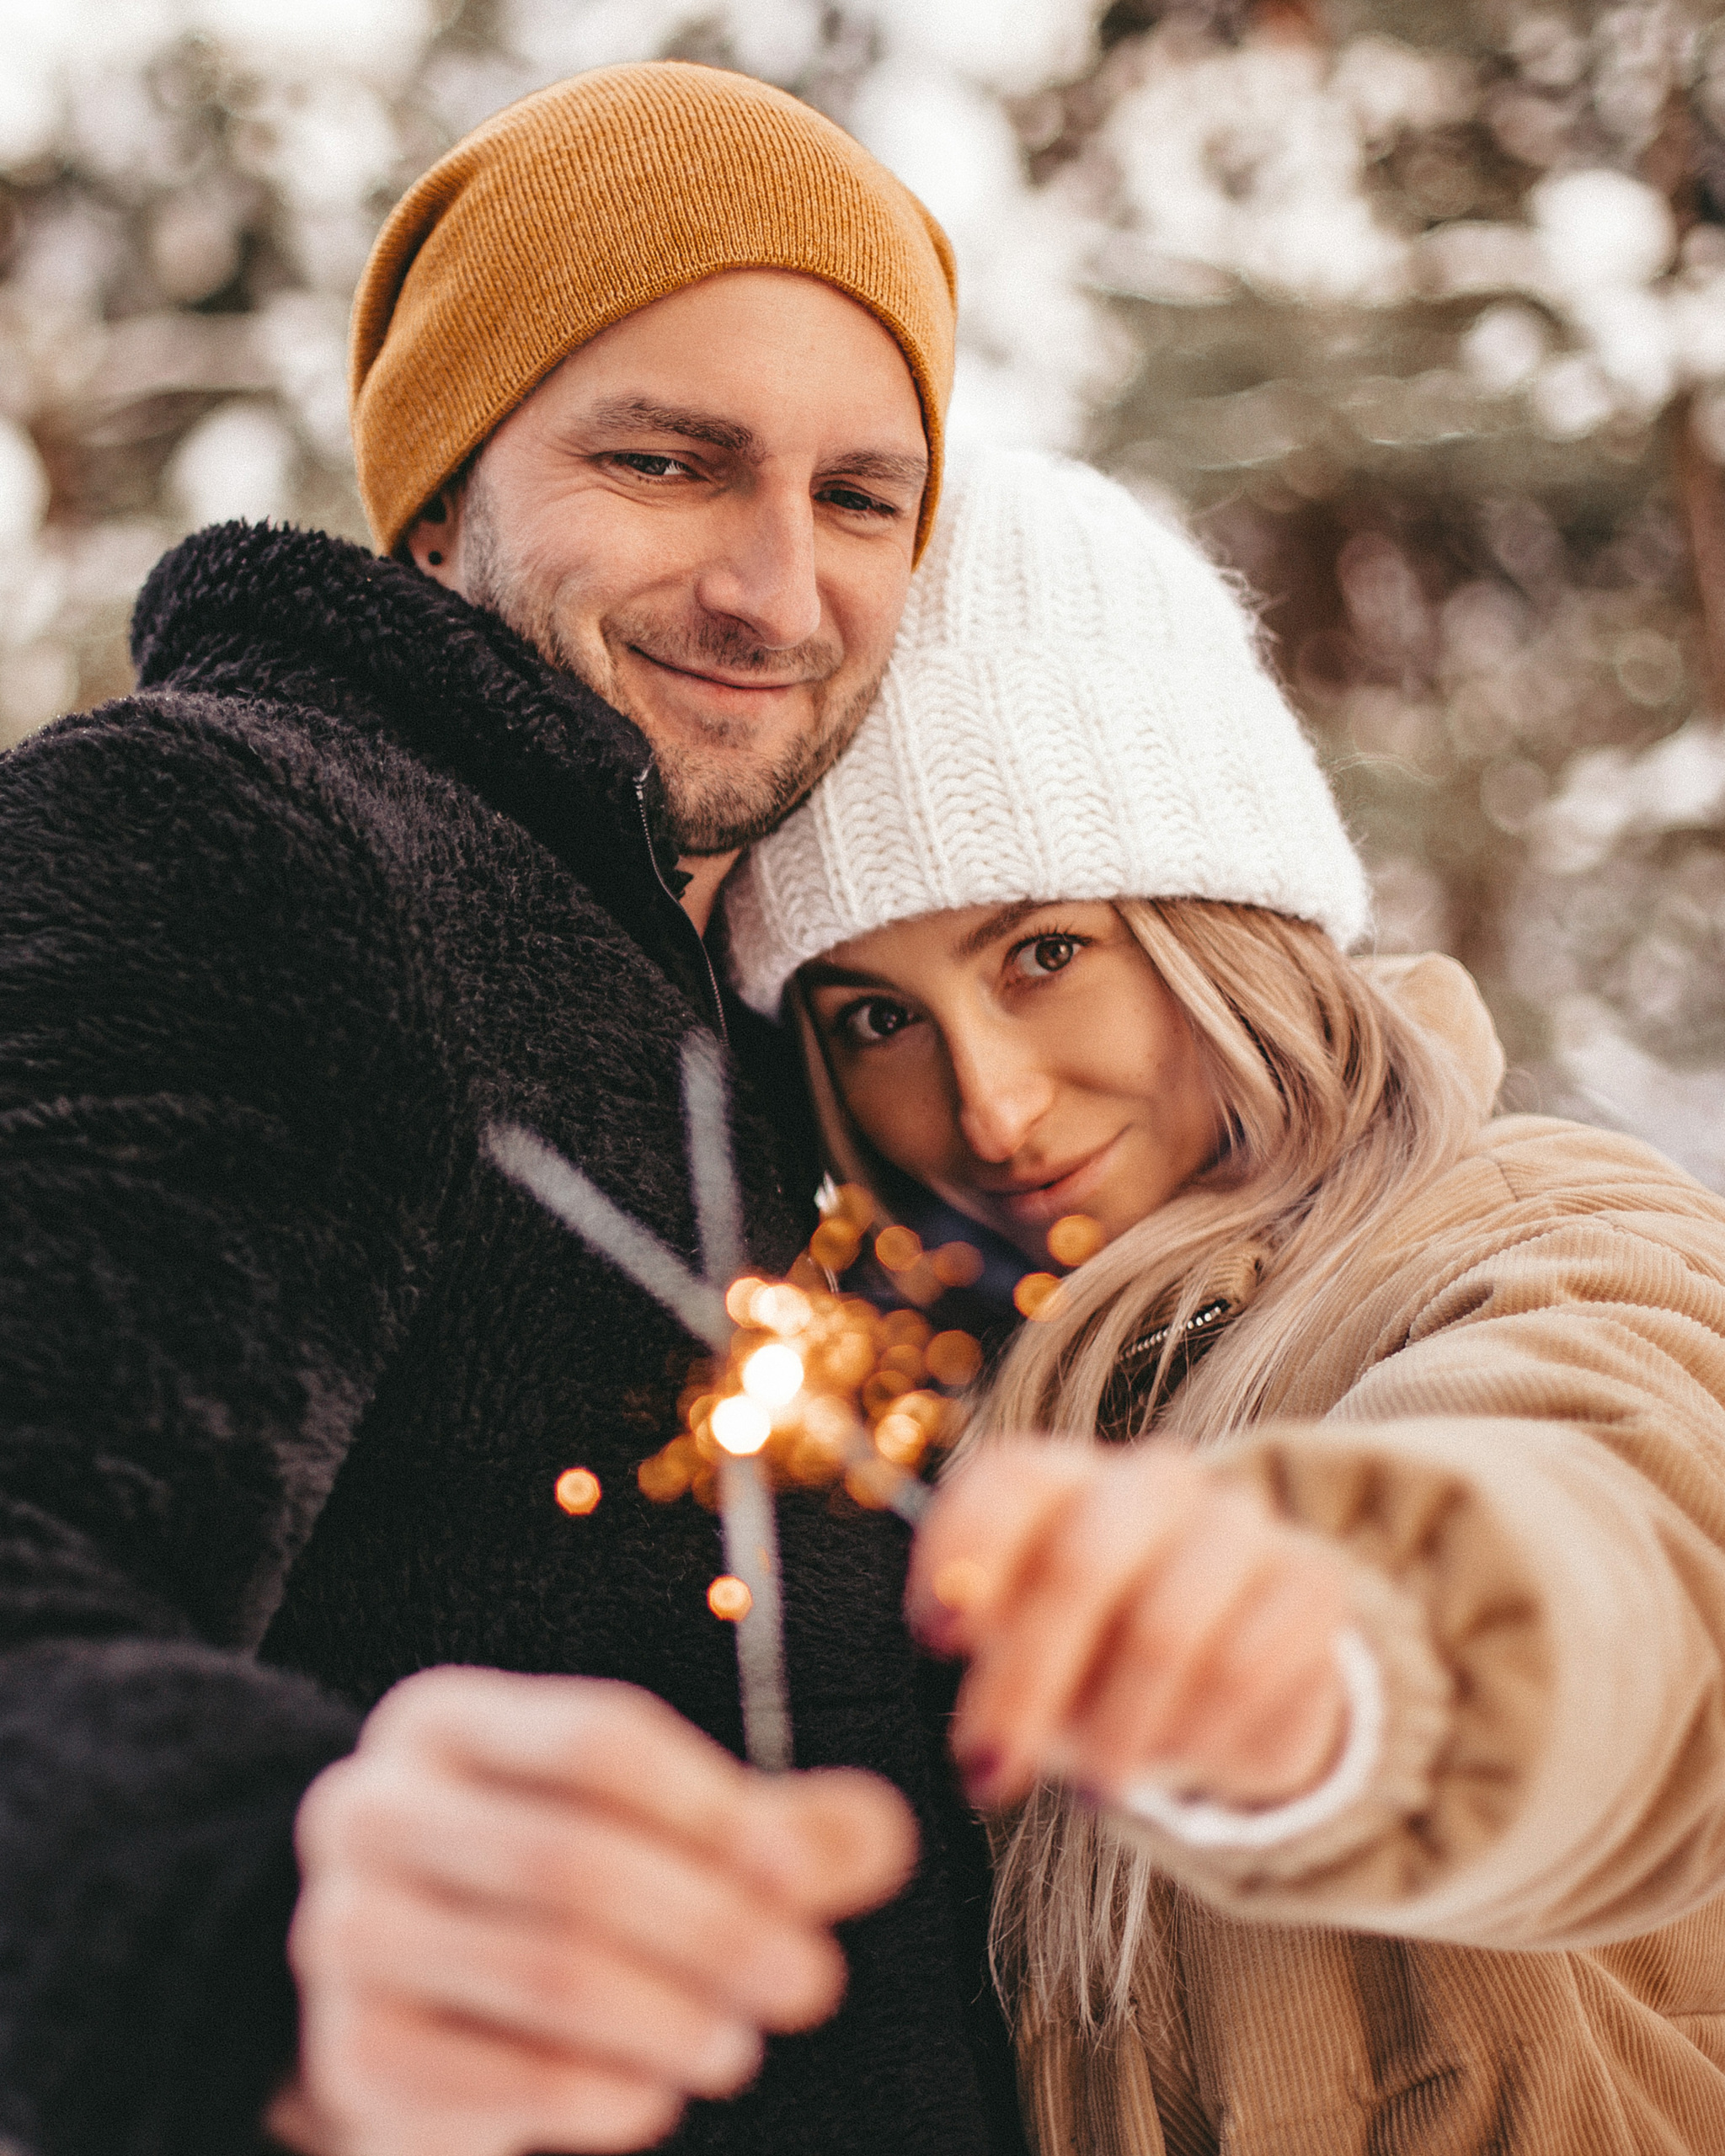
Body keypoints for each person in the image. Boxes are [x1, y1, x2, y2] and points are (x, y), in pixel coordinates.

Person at [0, 62, 1035, 2156]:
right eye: (668, 460)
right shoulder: (231, 830)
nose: (778, 589)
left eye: (863, 498)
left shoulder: (768, 999)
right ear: (443, 496)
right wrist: (244, 1908)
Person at [725, 445, 1725, 2153]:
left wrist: (1351, 1633)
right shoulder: (901, 1430)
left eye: (1046, 953)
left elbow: (1638, 1546)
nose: (991, 1106)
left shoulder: (1525, 1228)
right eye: (870, 1018)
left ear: (1222, 928)